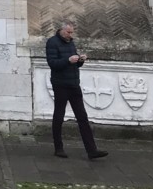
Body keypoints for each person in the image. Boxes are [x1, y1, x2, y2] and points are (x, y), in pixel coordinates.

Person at [46, 21, 108, 160]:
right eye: (68, 32)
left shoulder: (70, 43)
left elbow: (74, 64)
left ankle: (92, 150)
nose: (70, 34)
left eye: (72, 32)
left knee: (82, 117)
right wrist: (68, 60)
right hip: (60, 84)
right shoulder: (52, 42)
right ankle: (58, 148)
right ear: (61, 30)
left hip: (74, 84)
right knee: (59, 116)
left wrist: (80, 60)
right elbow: (52, 63)